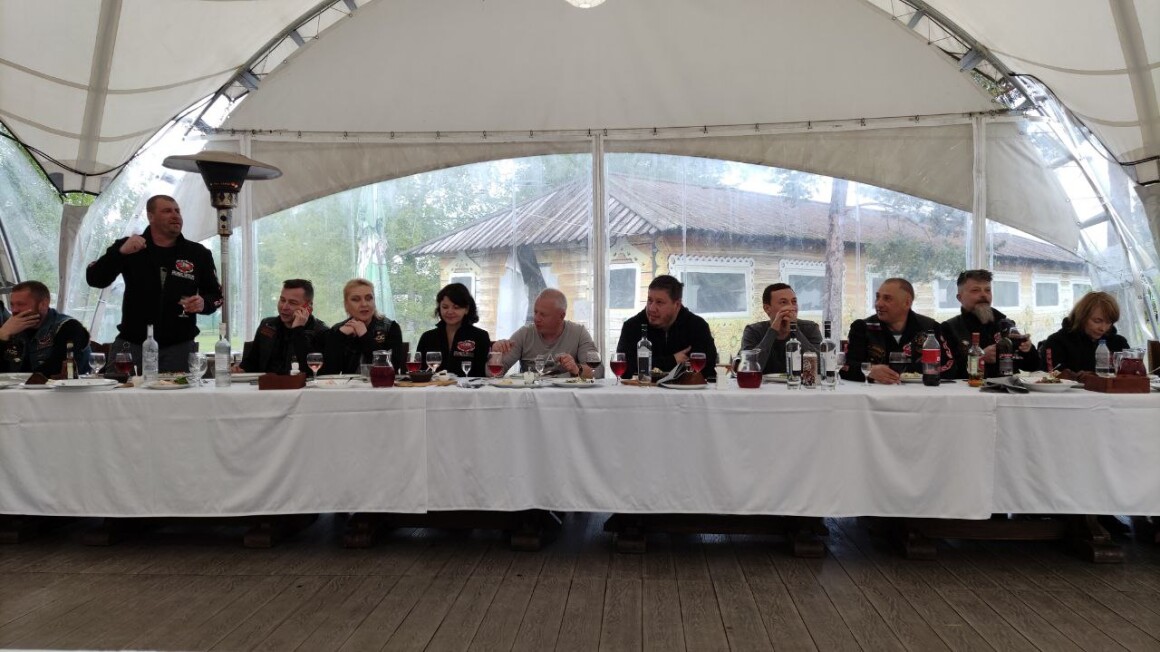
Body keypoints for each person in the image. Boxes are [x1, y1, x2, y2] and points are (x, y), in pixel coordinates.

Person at [85, 194, 222, 372]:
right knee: (120, 389)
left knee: (179, 391)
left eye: (177, 211)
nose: (175, 215)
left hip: (179, 348)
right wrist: (120, 253)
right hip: (132, 345)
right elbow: (95, 279)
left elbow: (216, 296)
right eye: (167, 211)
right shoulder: (129, 246)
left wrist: (204, 303)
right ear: (151, 216)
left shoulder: (198, 253)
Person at [842, 277, 953, 384]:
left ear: (907, 303)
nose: (878, 304)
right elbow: (845, 367)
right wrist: (870, 371)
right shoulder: (862, 328)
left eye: (887, 298)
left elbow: (950, 367)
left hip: (921, 393)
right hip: (875, 393)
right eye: (877, 297)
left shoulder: (930, 328)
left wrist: (917, 371)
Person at [615, 274, 718, 380]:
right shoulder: (632, 327)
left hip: (684, 391)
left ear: (677, 305)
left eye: (659, 302)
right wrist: (672, 361)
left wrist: (649, 364)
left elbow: (707, 371)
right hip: (643, 390)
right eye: (650, 300)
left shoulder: (697, 327)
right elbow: (625, 370)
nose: (651, 308)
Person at [940, 269, 1039, 379]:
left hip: (1006, 388)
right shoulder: (949, 329)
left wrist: (1028, 350)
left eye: (987, 290)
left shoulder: (1006, 325)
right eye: (975, 290)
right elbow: (945, 372)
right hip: (969, 389)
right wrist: (979, 359)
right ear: (960, 298)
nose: (983, 295)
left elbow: (1033, 366)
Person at [491, 289, 602, 378]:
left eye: (543, 314)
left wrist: (577, 368)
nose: (536, 318)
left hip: (568, 397)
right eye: (535, 312)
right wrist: (496, 355)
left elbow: (598, 372)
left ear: (561, 316)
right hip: (531, 395)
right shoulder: (524, 334)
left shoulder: (579, 333)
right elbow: (492, 374)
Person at [236, 279, 328, 376]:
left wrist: (297, 330)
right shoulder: (268, 325)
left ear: (308, 307)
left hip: (300, 385)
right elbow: (252, 363)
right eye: (282, 300)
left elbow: (313, 372)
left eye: (292, 303)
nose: (284, 307)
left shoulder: (321, 332)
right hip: (266, 384)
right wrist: (240, 370)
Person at [0, 281, 91, 375]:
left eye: (21, 304)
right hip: (15, 384)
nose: (14, 310)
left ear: (43, 304)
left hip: (63, 385)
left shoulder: (69, 327)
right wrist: (2, 335)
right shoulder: (11, 328)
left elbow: (56, 370)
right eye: (12, 305)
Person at [1040, 291, 1131, 379]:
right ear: (1082, 317)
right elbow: (1051, 378)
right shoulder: (1056, 342)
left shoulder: (1119, 343)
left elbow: (1131, 377)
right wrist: (1079, 378)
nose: (1103, 328)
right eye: (1097, 321)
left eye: (1108, 323)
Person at [321, 278, 404, 374]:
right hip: (348, 384)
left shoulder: (391, 327)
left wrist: (364, 335)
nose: (364, 304)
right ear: (346, 304)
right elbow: (328, 373)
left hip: (381, 383)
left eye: (369, 298)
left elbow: (392, 368)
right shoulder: (338, 330)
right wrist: (339, 336)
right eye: (356, 300)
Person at [738, 283, 822, 373]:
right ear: (767, 308)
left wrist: (795, 330)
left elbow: (820, 367)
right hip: (763, 382)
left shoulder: (810, 328)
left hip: (798, 382)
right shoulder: (753, 331)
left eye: (794, 302)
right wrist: (773, 331)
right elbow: (748, 368)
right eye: (783, 302)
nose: (791, 307)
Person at [415, 282, 491, 377]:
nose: (450, 311)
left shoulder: (480, 336)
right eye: (445, 307)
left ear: (466, 309)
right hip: (433, 386)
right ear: (439, 308)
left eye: (456, 307)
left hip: (469, 386)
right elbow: (418, 371)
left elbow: (482, 374)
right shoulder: (427, 337)